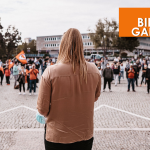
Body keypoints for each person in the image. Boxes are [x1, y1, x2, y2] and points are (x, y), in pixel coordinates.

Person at [37, 28, 101, 150]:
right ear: (81, 46)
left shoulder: (51, 72)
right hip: (84, 134)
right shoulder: (94, 70)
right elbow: (95, 97)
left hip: (57, 136)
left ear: (62, 45)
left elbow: (43, 110)